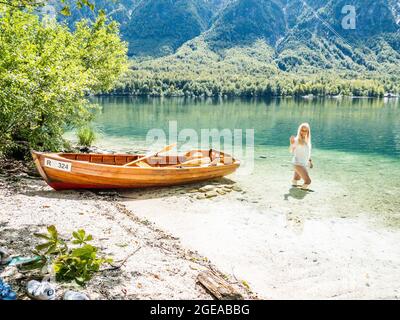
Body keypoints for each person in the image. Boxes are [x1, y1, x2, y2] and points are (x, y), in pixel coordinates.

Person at [289, 123, 313, 190]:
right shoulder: (297, 140)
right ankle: (302, 191)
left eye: (305, 130)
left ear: (308, 131)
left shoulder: (307, 140)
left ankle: (293, 188)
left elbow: (307, 153)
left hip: (303, 163)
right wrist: (291, 142)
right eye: (302, 130)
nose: (303, 132)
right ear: (299, 130)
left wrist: (310, 161)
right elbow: (291, 150)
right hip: (298, 163)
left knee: (297, 178)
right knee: (308, 181)